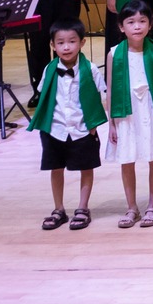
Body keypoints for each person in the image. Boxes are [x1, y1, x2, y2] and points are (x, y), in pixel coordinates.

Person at [101, 0, 153, 228]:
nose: (137, 26)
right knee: (127, 157)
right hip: (126, 110)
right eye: (131, 22)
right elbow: (111, 89)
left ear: (150, 24)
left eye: (142, 21)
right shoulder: (114, 54)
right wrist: (111, 123)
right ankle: (131, 207)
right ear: (121, 27)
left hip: (151, 109)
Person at [31, 19, 104, 231]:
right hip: (55, 128)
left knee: (86, 167)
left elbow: (101, 96)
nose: (66, 47)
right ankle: (59, 209)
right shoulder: (50, 69)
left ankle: (83, 207)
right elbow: (44, 95)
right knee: (55, 168)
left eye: (72, 41)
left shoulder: (90, 69)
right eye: (60, 42)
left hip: (82, 128)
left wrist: (93, 125)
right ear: (52, 45)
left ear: (82, 42)